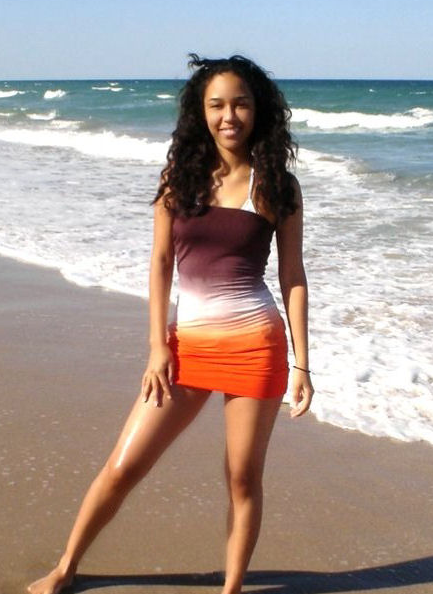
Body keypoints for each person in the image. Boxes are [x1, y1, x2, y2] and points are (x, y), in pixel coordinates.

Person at [27, 53, 313, 594]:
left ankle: (232, 589)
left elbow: (293, 276)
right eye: (217, 105)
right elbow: (160, 264)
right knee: (124, 465)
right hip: (185, 348)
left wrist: (302, 363)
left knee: (241, 478)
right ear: (200, 112)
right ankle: (66, 568)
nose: (229, 116)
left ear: (258, 110)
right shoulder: (179, 179)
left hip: (256, 348)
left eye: (241, 104)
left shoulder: (277, 186)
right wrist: (157, 346)